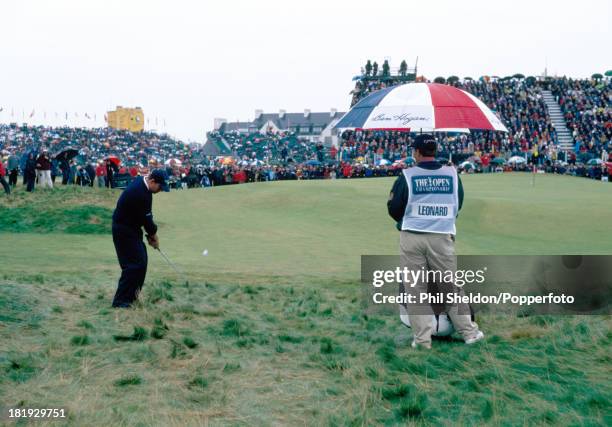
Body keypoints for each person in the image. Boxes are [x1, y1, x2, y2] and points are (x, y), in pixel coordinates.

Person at [387, 134, 484, 349]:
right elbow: (457, 204)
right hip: (442, 236)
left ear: (418, 152)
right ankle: (469, 333)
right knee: (450, 288)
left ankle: (422, 341)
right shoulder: (452, 174)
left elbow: (394, 209)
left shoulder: (407, 175)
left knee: (415, 289)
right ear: (435, 151)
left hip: (412, 235)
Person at [111, 169, 169, 308]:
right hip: (123, 230)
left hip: (132, 229)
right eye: (160, 187)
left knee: (141, 261)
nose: (160, 190)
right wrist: (153, 235)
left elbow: (144, 217)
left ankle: (132, 297)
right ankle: (121, 302)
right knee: (134, 264)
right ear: (152, 181)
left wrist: (150, 235)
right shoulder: (140, 192)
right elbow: (147, 220)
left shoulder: (144, 186)